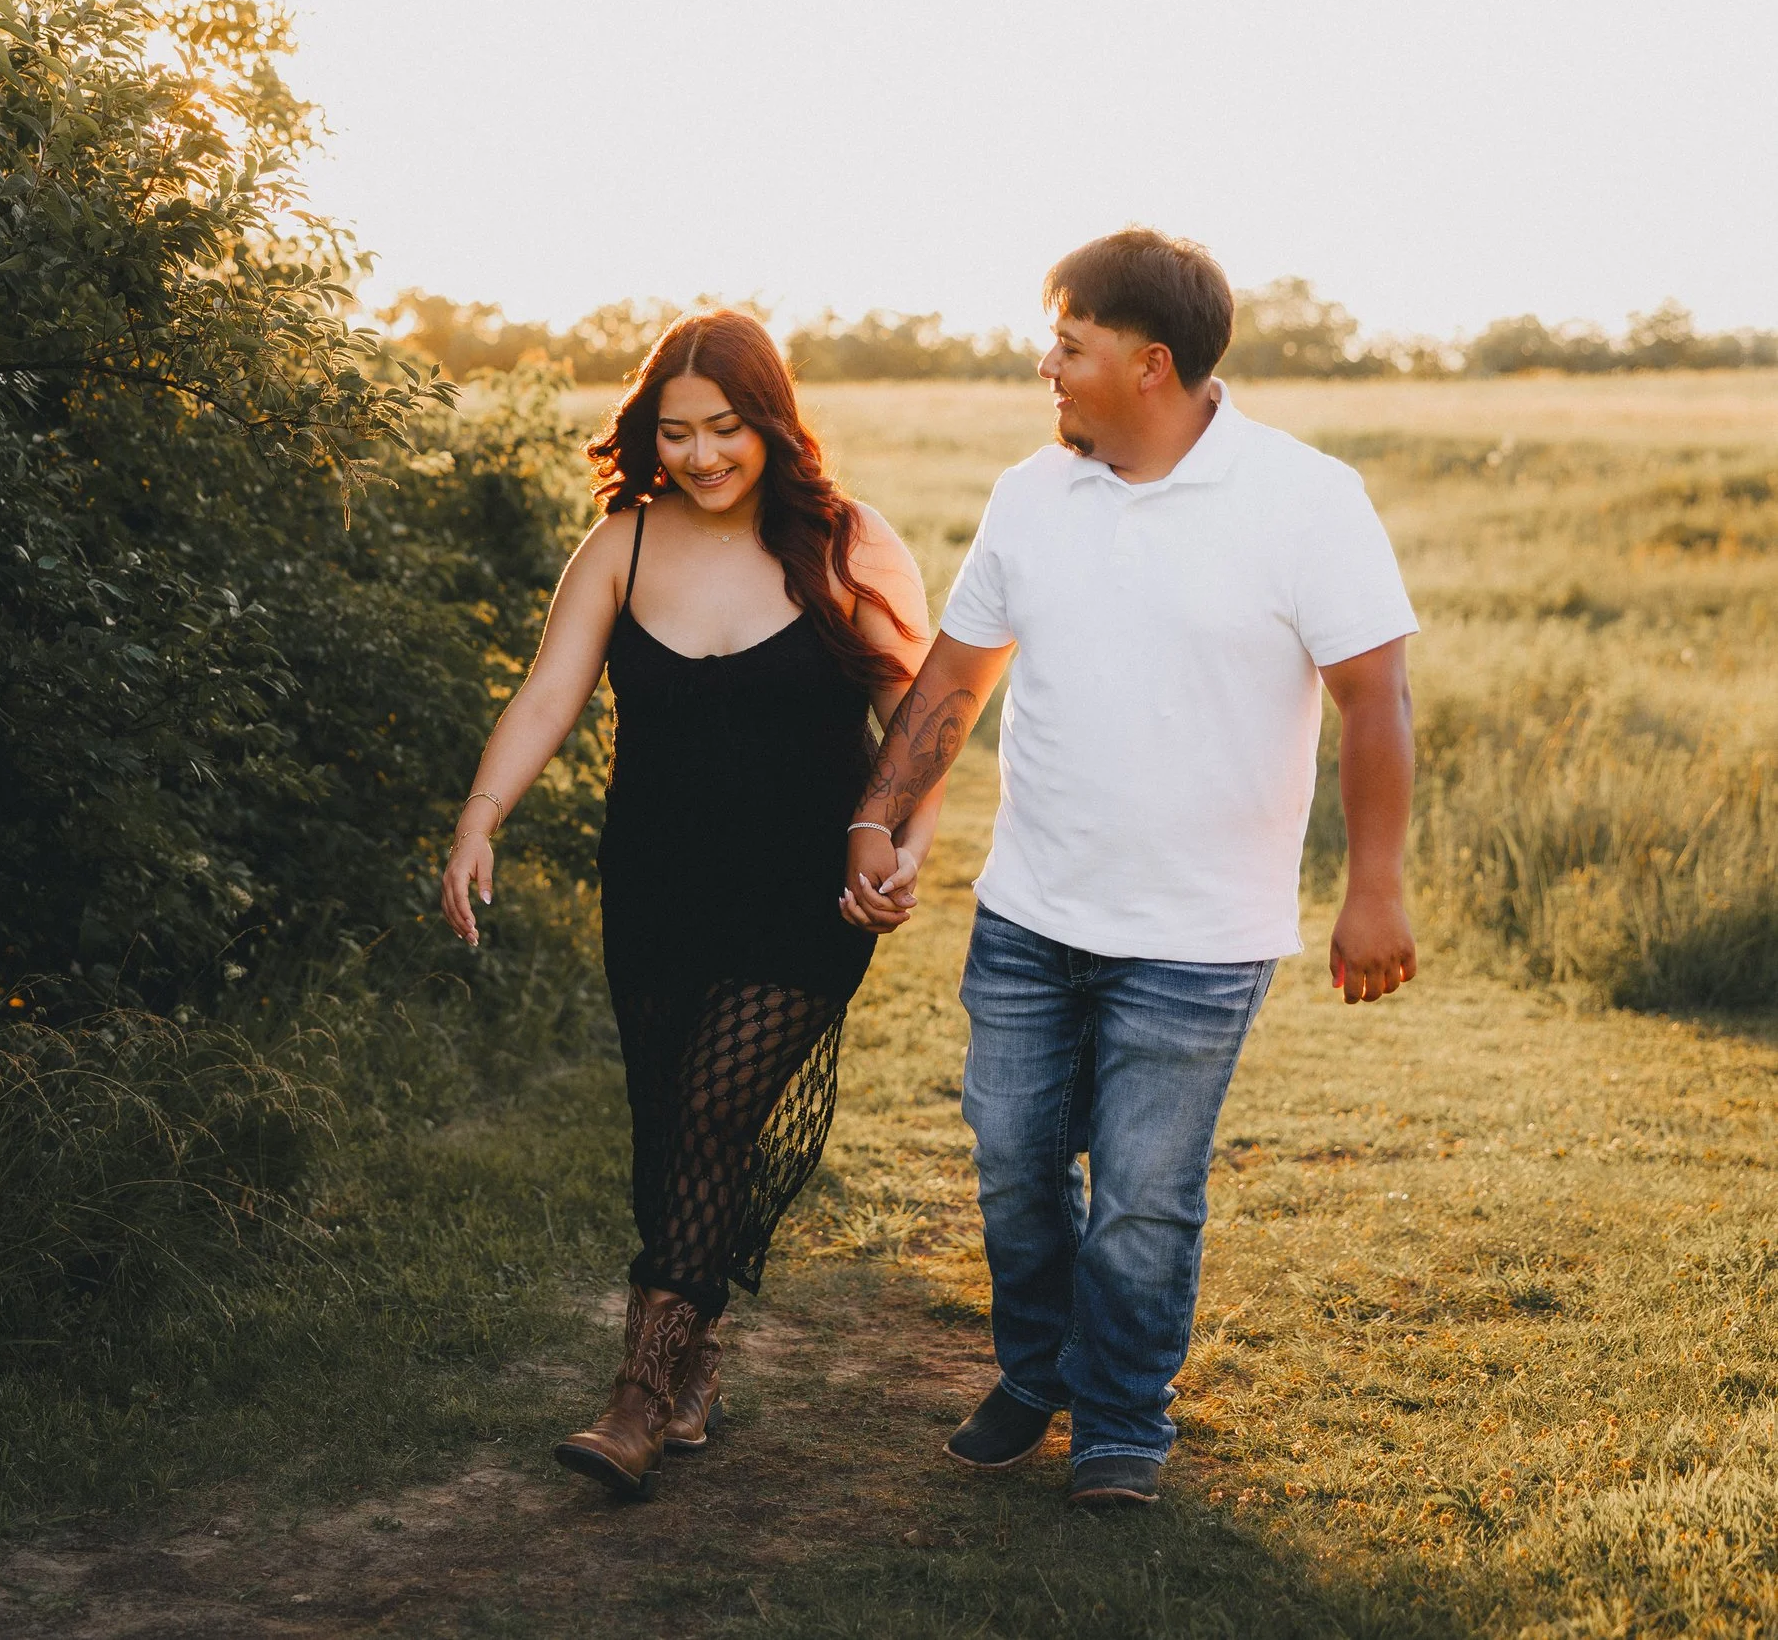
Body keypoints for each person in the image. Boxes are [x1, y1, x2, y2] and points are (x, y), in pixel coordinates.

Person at [840, 228, 1419, 1508]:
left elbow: (1373, 698)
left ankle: (1118, 1418)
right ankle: (1033, 1367)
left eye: (1068, 343)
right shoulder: (1029, 494)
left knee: (1146, 1195)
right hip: (1030, 913)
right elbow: (955, 677)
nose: (1044, 364)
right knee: (1011, 1162)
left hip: (1201, 935)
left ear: (1149, 364)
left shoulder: (1305, 496)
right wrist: (876, 816)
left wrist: (1371, 886)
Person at [440, 310, 934, 1500]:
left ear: (771, 422)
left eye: (727, 428)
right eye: (678, 432)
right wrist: (478, 815)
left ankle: (639, 1396)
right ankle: (696, 1343)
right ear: (648, 433)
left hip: (804, 893)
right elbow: (550, 690)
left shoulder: (843, 541)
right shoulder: (622, 541)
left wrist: (904, 846)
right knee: (668, 1125)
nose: (704, 455)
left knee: (714, 1109)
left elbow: (922, 721)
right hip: (656, 883)